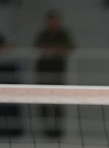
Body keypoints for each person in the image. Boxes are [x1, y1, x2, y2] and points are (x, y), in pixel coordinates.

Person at [34, 10, 75, 138]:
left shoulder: (63, 34)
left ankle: (58, 130)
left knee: (58, 103)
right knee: (44, 103)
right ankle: (46, 130)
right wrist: (50, 50)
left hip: (58, 74)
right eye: (51, 21)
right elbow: (37, 47)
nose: (54, 23)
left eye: (56, 21)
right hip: (43, 74)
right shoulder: (43, 35)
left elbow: (71, 47)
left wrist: (58, 50)